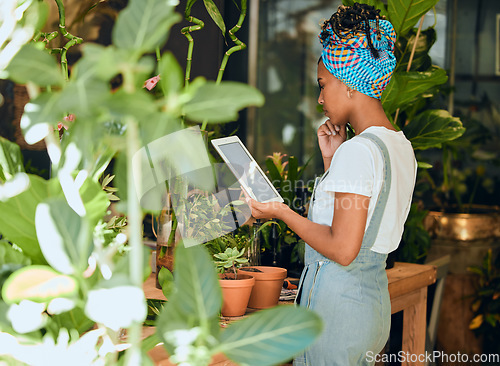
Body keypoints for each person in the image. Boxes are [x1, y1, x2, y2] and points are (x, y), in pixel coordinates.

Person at [245, 3, 417, 365]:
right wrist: (331, 160)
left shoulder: (359, 151)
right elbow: (364, 219)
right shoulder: (398, 145)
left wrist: (279, 212)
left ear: (351, 84)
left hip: (336, 313)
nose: (320, 98)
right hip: (368, 309)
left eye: (324, 85)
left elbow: (342, 249)